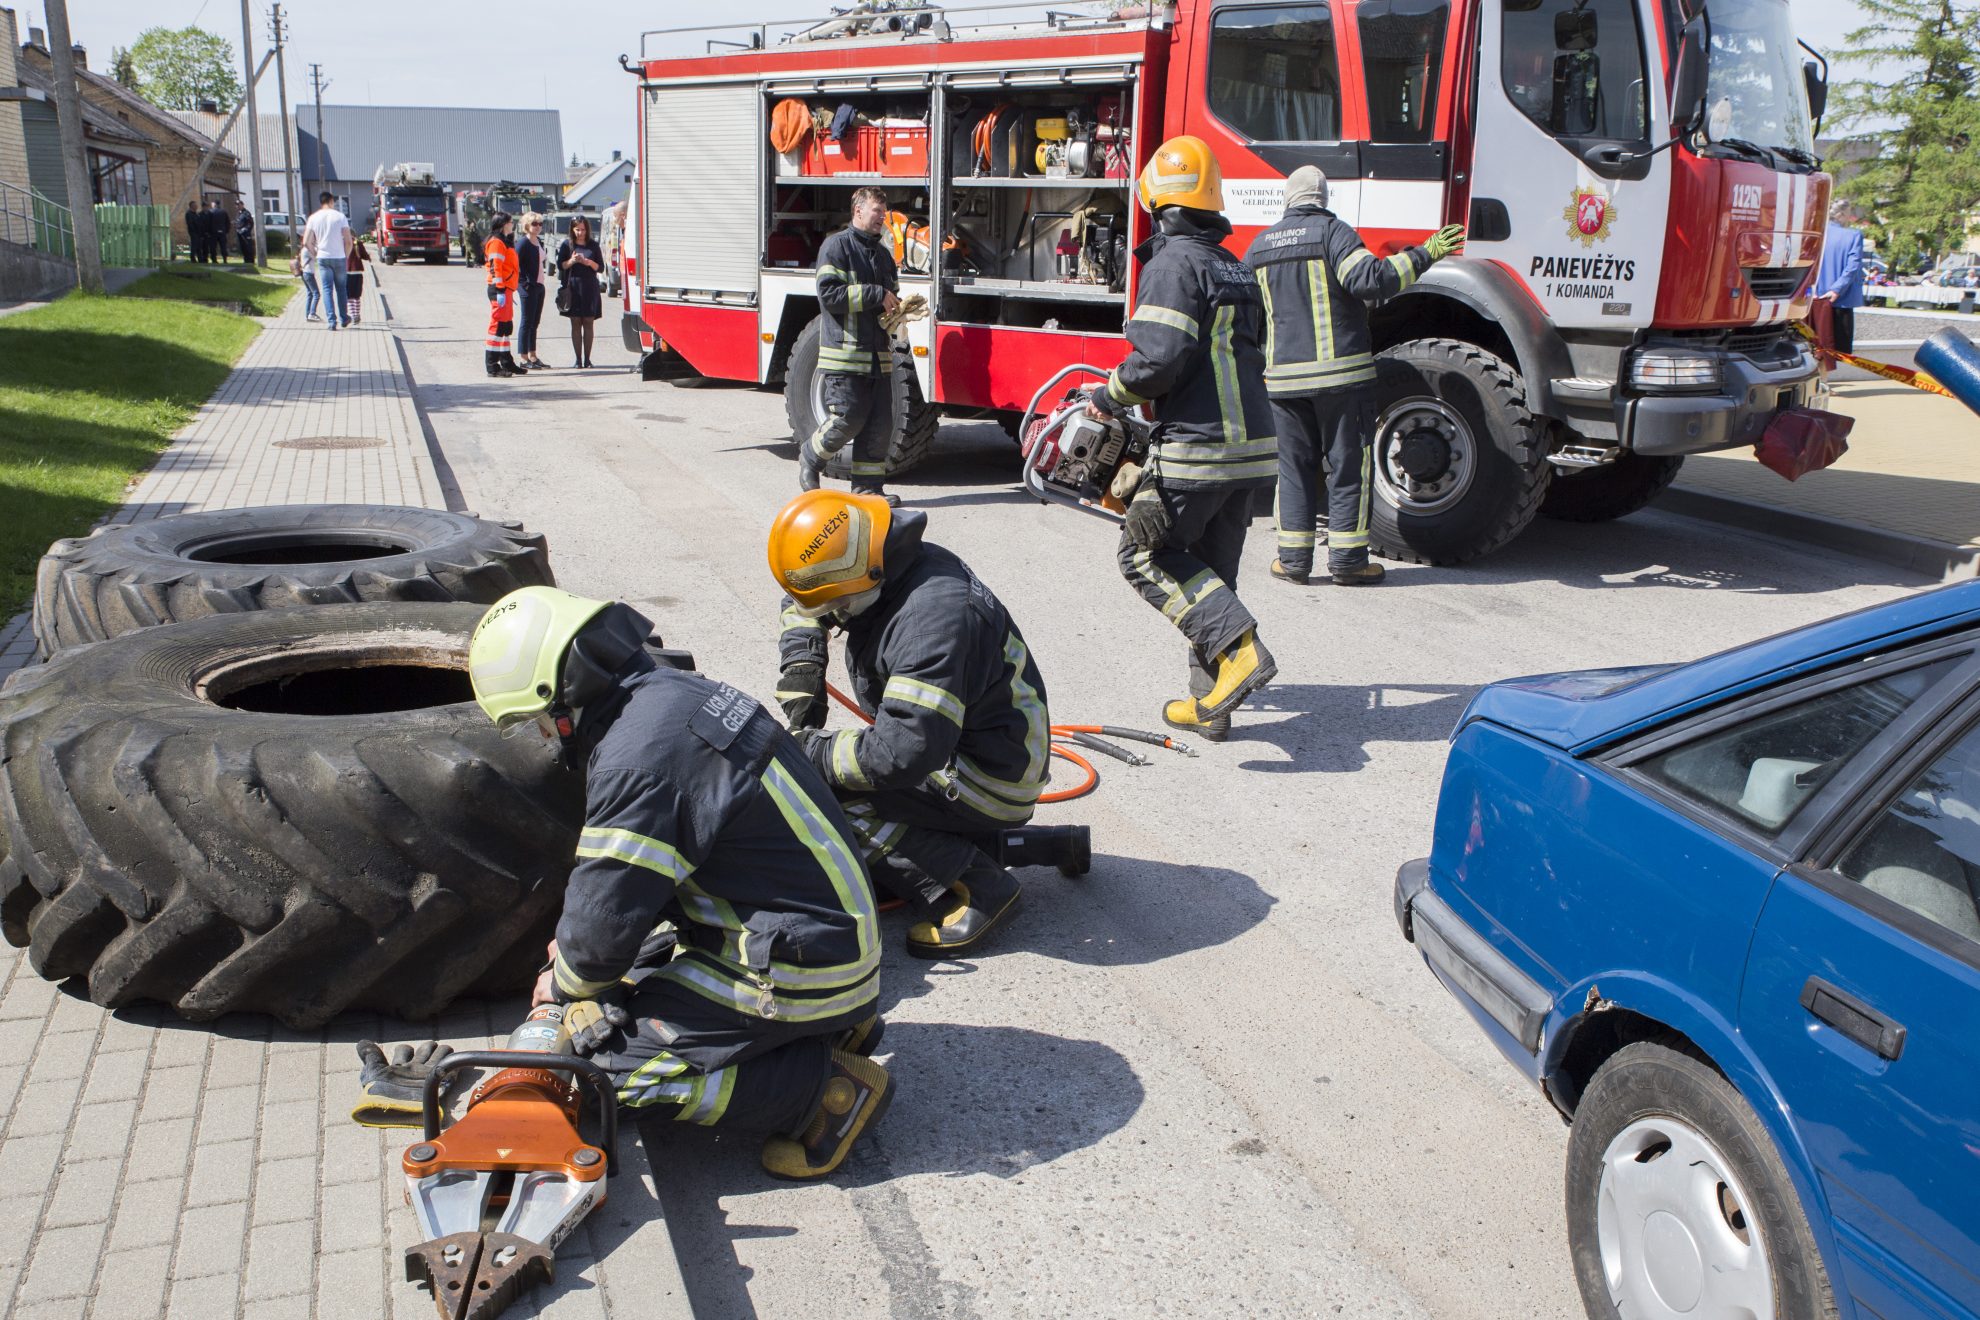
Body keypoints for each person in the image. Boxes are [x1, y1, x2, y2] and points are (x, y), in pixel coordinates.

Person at [466, 586, 891, 1179]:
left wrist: (567, 984)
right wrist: (594, 969)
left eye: (536, 722)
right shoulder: (673, 697)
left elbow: (602, 922)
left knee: (601, 1075)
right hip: (820, 933)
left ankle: (820, 1094)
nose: (541, 738)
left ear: (561, 701)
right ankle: (829, 1024)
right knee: (624, 979)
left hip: (798, 960)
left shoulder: (636, 760)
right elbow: (628, 898)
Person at [769, 490, 1051, 958]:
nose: (829, 617)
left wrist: (807, 751)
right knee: (837, 782)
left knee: (827, 794)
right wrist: (802, 664)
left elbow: (899, 756)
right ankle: (984, 847)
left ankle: (981, 889)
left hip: (987, 774)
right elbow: (803, 598)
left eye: (835, 607)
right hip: (970, 743)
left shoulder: (932, 622)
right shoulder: (871, 542)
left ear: (867, 574)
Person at [1085, 135, 1277, 742]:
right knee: (1211, 574)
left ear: (1158, 203)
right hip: (1249, 451)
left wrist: (1105, 397)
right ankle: (1212, 704)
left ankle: (1241, 652)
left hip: (1197, 449)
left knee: (1142, 554)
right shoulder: (1235, 266)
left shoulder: (1171, 263)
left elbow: (1158, 360)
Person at [1245, 167, 1465, 587]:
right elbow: (1371, 281)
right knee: (1346, 468)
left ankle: (1292, 561)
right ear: (1322, 198)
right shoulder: (1334, 234)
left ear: (1287, 200)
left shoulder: (1259, 246)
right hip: (1340, 379)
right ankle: (1347, 563)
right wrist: (1425, 252)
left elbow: (1244, 314)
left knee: (1293, 469)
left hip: (1283, 384)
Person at [798, 187, 900, 501]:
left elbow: (887, 298)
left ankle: (868, 490)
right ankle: (810, 457)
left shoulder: (883, 254)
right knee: (848, 417)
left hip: (877, 359)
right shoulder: (836, 247)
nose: (882, 218)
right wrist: (875, 295)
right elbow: (829, 295)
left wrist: (898, 310)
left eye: (884, 212)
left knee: (879, 426)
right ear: (857, 211)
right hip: (845, 356)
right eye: (876, 211)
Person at [1815, 219, 1866, 373]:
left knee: (1813, 343)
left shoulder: (1814, 233)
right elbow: (1853, 266)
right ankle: (1823, 381)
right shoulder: (1853, 235)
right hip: (1839, 300)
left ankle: (1818, 380)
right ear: (1844, 214)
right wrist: (1837, 289)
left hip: (1813, 298)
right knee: (1834, 346)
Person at [557, 215, 605, 368]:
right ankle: (578, 360)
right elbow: (561, 266)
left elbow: (601, 267)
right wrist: (572, 261)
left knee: (589, 322)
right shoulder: (567, 245)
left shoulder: (593, 245)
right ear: (572, 229)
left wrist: (588, 262)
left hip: (590, 287)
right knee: (576, 323)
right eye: (577, 230)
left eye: (583, 230)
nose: (580, 233)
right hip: (573, 286)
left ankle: (588, 359)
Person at [483, 211, 526, 377]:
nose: (512, 224)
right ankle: (492, 366)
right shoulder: (496, 243)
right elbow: (495, 268)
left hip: (506, 289)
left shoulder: (505, 241)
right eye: (510, 222)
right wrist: (500, 288)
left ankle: (507, 362)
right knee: (497, 327)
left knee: (506, 326)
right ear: (503, 224)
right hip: (499, 289)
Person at [303, 193, 353, 332]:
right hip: (339, 257)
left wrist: (315, 253)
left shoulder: (313, 217)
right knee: (341, 289)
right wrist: (346, 256)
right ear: (331, 201)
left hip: (323, 258)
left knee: (326, 289)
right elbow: (348, 241)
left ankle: (331, 321)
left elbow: (306, 241)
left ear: (321, 202)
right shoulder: (340, 217)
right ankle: (344, 318)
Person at [517, 212, 550, 368]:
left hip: (539, 286)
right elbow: (515, 266)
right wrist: (523, 285)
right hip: (528, 287)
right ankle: (523, 357)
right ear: (526, 226)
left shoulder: (539, 242)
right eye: (534, 224)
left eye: (540, 224)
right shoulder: (523, 243)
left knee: (534, 322)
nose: (538, 227)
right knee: (526, 321)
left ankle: (533, 355)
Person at [346, 231, 369, 326]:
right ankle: (357, 314)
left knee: (349, 296)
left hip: (347, 271)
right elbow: (365, 256)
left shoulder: (344, 243)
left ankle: (352, 315)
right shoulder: (358, 243)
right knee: (357, 295)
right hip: (358, 272)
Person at [206, 200, 231, 265]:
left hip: (213, 232)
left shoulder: (210, 212)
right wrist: (226, 231)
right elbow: (227, 222)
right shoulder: (224, 212)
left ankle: (214, 260)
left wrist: (208, 231)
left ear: (214, 204)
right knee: (223, 246)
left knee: (213, 247)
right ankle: (225, 259)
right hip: (222, 232)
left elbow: (208, 223)